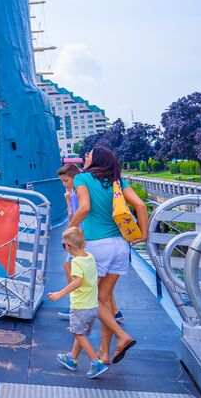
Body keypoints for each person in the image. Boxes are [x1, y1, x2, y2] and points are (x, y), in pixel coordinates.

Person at [71, 146, 148, 365]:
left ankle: (122, 336)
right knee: (105, 300)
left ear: (98, 160)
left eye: (89, 154)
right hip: (121, 245)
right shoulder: (118, 182)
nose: (85, 157)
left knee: (93, 299)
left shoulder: (82, 178)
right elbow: (140, 206)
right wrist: (143, 235)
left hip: (97, 245)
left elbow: (84, 207)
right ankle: (105, 352)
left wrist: (71, 229)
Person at [48, 226, 108, 379]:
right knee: (80, 334)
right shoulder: (89, 257)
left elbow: (78, 282)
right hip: (92, 306)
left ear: (67, 247)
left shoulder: (76, 263)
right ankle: (72, 358)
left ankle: (96, 361)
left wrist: (59, 293)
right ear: (85, 244)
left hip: (80, 306)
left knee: (78, 333)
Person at [56, 164, 82, 319]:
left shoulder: (75, 194)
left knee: (69, 267)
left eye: (66, 181)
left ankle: (75, 305)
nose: (65, 184)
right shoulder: (82, 191)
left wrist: (67, 199)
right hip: (83, 234)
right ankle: (116, 311)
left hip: (78, 236)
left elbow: (72, 216)